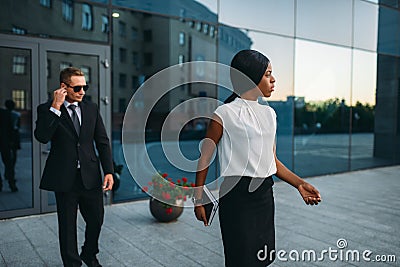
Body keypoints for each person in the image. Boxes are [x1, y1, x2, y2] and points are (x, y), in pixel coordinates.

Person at [194, 50, 322, 266]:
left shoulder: (269, 114)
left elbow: (272, 160)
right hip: (236, 197)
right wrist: (199, 199)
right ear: (250, 77)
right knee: (240, 259)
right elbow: (204, 158)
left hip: (264, 195)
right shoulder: (224, 114)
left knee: (264, 257)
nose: (273, 80)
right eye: (267, 74)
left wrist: (299, 184)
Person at [34, 67, 114, 267]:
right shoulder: (46, 109)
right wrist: (56, 107)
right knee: (67, 227)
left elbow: (102, 141)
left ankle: (89, 253)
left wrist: (109, 171)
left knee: (96, 220)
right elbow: (42, 136)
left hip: (90, 175)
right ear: (64, 87)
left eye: (84, 87)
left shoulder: (91, 108)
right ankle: (72, 263)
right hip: (65, 177)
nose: (82, 92)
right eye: (77, 87)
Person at [0, 100, 20, 192]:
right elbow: (12, 129)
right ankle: (11, 183)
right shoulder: (7, 114)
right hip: (6, 142)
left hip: (5, 142)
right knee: (9, 163)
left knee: (8, 163)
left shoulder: (5, 114)